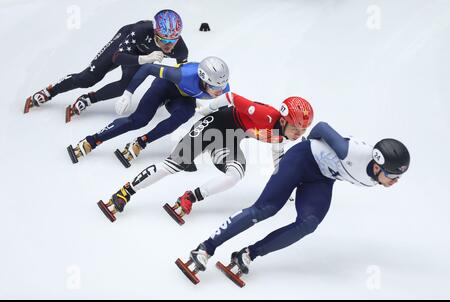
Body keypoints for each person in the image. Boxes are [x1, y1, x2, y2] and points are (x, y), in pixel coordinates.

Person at [177, 121, 410, 285]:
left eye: (397, 177)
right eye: (392, 176)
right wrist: (309, 147)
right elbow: (321, 127)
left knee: (308, 223)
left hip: (321, 178)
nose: (394, 182)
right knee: (265, 209)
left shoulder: (376, 177)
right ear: (378, 166)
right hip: (301, 159)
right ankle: (205, 248)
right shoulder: (349, 152)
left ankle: (247, 254)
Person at [96, 92, 314, 223]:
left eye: (303, 130)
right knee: (172, 166)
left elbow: (278, 164)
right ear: (284, 120)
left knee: (235, 175)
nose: (299, 134)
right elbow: (230, 97)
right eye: (296, 128)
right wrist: (206, 110)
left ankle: (189, 198)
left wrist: (286, 187)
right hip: (212, 125)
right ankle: (126, 192)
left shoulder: (280, 137)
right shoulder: (264, 115)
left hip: (228, 139)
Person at [24, 9, 188, 122]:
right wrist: (145, 59)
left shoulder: (180, 50)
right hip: (125, 46)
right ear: (154, 32)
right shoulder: (139, 31)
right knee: (88, 78)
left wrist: (190, 94)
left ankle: (88, 99)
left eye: (173, 40)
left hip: (143, 55)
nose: (168, 46)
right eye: (164, 40)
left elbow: (184, 75)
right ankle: (50, 91)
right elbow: (117, 57)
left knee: (123, 88)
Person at [66, 56, 230, 164]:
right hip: (165, 86)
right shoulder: (182, 74)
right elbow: (148, 68)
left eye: (221, 86)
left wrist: (212, 110)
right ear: (202, 78)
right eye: (214, 87)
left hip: (183, 98)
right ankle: (92, 140)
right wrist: (128, 93)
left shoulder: (222, 87)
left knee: (185, 113)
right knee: (139, 120)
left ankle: (141, 142)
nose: (218, 90)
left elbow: (226, 105)